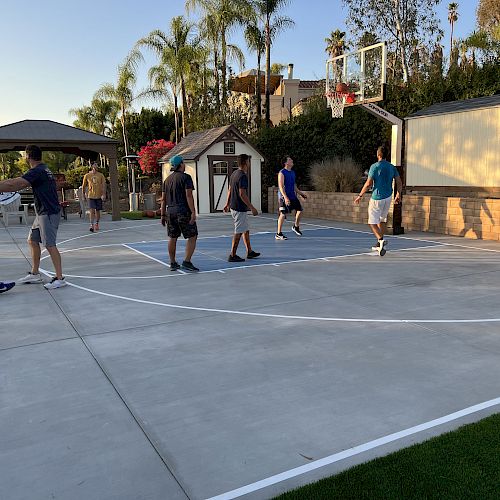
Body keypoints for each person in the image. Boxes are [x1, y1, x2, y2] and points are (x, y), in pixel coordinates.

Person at [0, 144, 66, 288]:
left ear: (28, 156)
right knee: (32, 240)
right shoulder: (43, 169)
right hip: (42, 212)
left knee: (49, 244)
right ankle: (35, 274)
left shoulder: (37, 171)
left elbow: (15, 185)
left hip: (48, 212)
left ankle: (60, 278)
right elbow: (14, 181)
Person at [354, 145, 402, 256]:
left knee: (372, 222)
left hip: (377, 198)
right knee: (382, 219)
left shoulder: (374, 167)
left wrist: (360, 195)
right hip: (388, 197)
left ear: (378, 155)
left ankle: (380, 239)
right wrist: (398, 193)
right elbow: (399, 181)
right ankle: (379, 244)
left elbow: (368, 183)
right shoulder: (391, 167)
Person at [160, 155, 199, 272]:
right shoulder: (186, 178)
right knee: (192, 236)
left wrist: (162, 215)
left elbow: (163, 199)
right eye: (183, 162)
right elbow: (189, 195)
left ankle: (173, 262)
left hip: (170, 211)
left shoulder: (167, 180)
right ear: (181, 164)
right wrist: (193, 211)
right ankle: (187, 261)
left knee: (172, 237)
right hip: (183, 211)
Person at [223, 154, 260, 262]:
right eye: (248, 161)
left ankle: (249, 251)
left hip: (234, 207)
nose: (249, 163)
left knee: (245, 230)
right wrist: (252, 208)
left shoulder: (234, 173)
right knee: (239, 231)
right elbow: (242, 194)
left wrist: (227, 203)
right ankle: (232, 255)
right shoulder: (243, 176)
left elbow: (230, 189)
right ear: (245, 163)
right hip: (239, 208)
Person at [276, 156, 307, 240]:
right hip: (283, 197)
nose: (292, 160)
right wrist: (285, 197)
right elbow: (281, 186)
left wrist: (301, 193)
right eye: (290, 160)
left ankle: (296, 226)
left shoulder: (292, 173)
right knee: (283, 214)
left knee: (300, 210)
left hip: (292, 196)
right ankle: (278, 233)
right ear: (286, 163)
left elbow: (294, 185)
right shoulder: (281, 173)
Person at [81, 162, 106, 232]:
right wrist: (83, 195)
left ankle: (97, 223)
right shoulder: (87, 175)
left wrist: (104, 194)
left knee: (98, 211)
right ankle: (91, 225)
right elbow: (83, 186)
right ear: (91, 166)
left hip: (99, 196)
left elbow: (104, 185)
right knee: (91, 211)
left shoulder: (101, 175)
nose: (96, 166)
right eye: (95, 164)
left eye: (97, 165)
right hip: (90, 195)